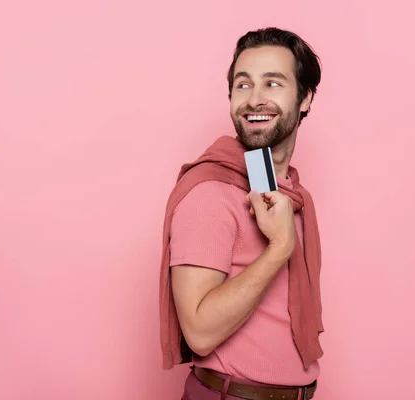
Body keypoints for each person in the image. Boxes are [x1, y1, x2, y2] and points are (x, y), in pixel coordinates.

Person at [158, 27, 325, 400]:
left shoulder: (288, 196)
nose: (255, 99)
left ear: (305, 98)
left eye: (273, 84)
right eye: (243, 85)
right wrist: (280, 247)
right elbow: (199, 333)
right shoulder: (210, 194)